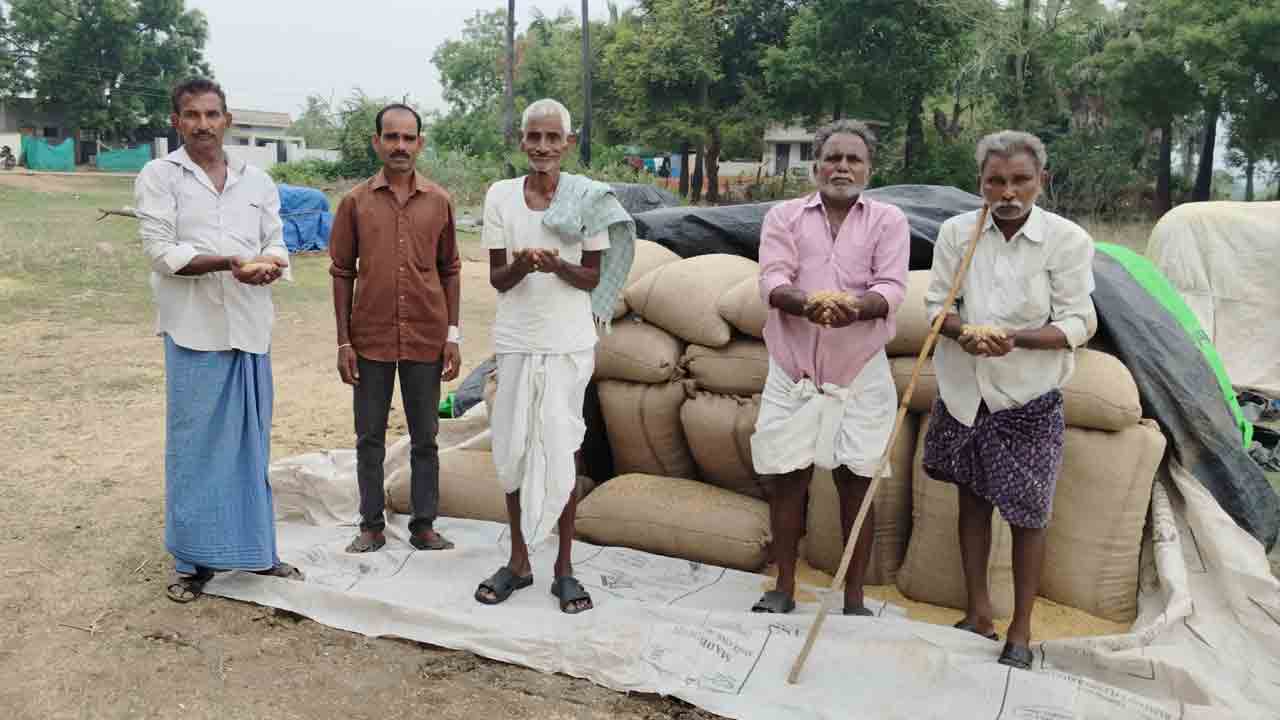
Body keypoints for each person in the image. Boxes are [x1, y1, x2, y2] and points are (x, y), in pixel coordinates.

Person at [922, 130, 1096, 670]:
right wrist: (964, 332)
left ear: (1042, 180)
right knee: (972, 501)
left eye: (1020, 180)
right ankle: (978, 612)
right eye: (995, 181)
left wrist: (1014, 339)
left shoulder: (1066, 240)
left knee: (1029, 513)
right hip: (966, 390)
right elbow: (937, 307)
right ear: (981, 183)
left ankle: (1020, 629)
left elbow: (1079, 321)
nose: (1008, 192)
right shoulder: (958, 232)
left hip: (1027, 397)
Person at [135, 77, 302, 603]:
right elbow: (162, 253)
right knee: (195, 449)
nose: (202, 124)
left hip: (249, 328)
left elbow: (276, 241)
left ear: (227, 120)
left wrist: (269, 265)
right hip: (194, 330)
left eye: (212, 114)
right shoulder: (160, 176)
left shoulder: (257, 181)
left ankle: (256, 552)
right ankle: (193, 561)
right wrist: (228, 263)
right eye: (192, 115)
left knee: (251, 445)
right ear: (176, 121)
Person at [474, 98, 635, 614]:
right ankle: (519, 562)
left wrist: (557, 265)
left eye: (552, 138)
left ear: (568, 143)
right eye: (534, 137)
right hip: (517, 340)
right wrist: (524, 264)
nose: (542, 147)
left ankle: (564, 568)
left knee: (562, 448)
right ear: (522, 141)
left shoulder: (586, 197)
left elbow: (591, 277)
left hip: (567, 344)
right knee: (513, 450)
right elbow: (498, 279)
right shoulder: (501, 196)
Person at [749, 120, 910, 615]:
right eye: (833, 158)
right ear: (816, 166)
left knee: (857, 481)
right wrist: (807, 304)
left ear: (869, 168)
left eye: (853, 159)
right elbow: (772, 279)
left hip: (859, 370)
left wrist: (854, 309)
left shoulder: (888, 220)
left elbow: (892, 287)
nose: (842, 167)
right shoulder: (784, 216)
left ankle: (853, 597)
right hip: (792, 368)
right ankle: (784, 586)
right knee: (787, 477)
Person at [328, 103, 462, 553]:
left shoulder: (439, 201)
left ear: (420, 143)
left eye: (408, 138)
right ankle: (370, 525)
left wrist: (452, 335)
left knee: (426, 437)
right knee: (369, 437)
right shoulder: (355, 202)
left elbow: (451, 270)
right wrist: (344, 341)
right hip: (370, 339)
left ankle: (424, 525)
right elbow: (341, 271)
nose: (400, 146)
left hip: (426, 335)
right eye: (391, 137)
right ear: (377, 142)